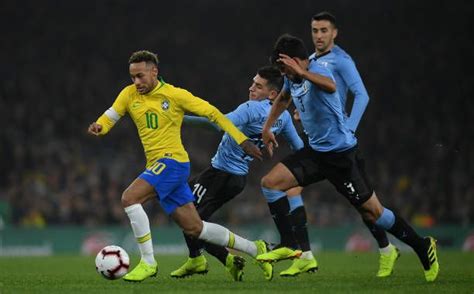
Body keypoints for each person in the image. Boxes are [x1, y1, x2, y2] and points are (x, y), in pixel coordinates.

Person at [256, 34, 439, 282]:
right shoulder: (293, 78)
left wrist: (302, 71)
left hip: (341, 157)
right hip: (316, 153)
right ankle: (289, 243)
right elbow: (284, 99)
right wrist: (268, 127)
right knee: (270, 183)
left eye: (285, 67)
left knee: (374, 213)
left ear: (298, 61)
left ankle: (421, 245)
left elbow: (330, 86)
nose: (283, 73)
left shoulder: (319, 70)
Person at [87, 50, 270, 282]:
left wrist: (241, 140)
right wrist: (100, 127)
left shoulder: (174, 95)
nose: (136, 82)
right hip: (158, 164)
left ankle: (148, 262)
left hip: (173, 162)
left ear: (154, 72)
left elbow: (213, 114)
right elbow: (110, 116)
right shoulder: (128, 94)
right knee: (196, 228)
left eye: (141, 76)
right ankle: (256, 249)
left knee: (129, 198)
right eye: (133, 77)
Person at [272, 11, 397, 278]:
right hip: (319, 146)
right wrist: (302, 112)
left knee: (366, 208)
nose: (318, 36)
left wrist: (348, 127)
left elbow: (361, 96)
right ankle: (304, 254)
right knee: (290, 188)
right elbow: (304, 93)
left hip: (340, 145)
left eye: (324, 30)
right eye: (315, 30)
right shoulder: (312, 61)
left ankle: (387, 248)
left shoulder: (341, 61)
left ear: (334, 32)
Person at [170, 65, 304, 282]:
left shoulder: (251, 108)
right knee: (182, 209)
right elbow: (299, 147)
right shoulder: (284, 118)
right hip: (232, 177)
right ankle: (198, 258)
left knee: (190, 220)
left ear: (272, 94)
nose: (251, 88)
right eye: (253, 82)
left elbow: (216, 124)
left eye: (258, 86)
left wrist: (179, 119)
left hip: (221, 175)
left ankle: (250, 250)